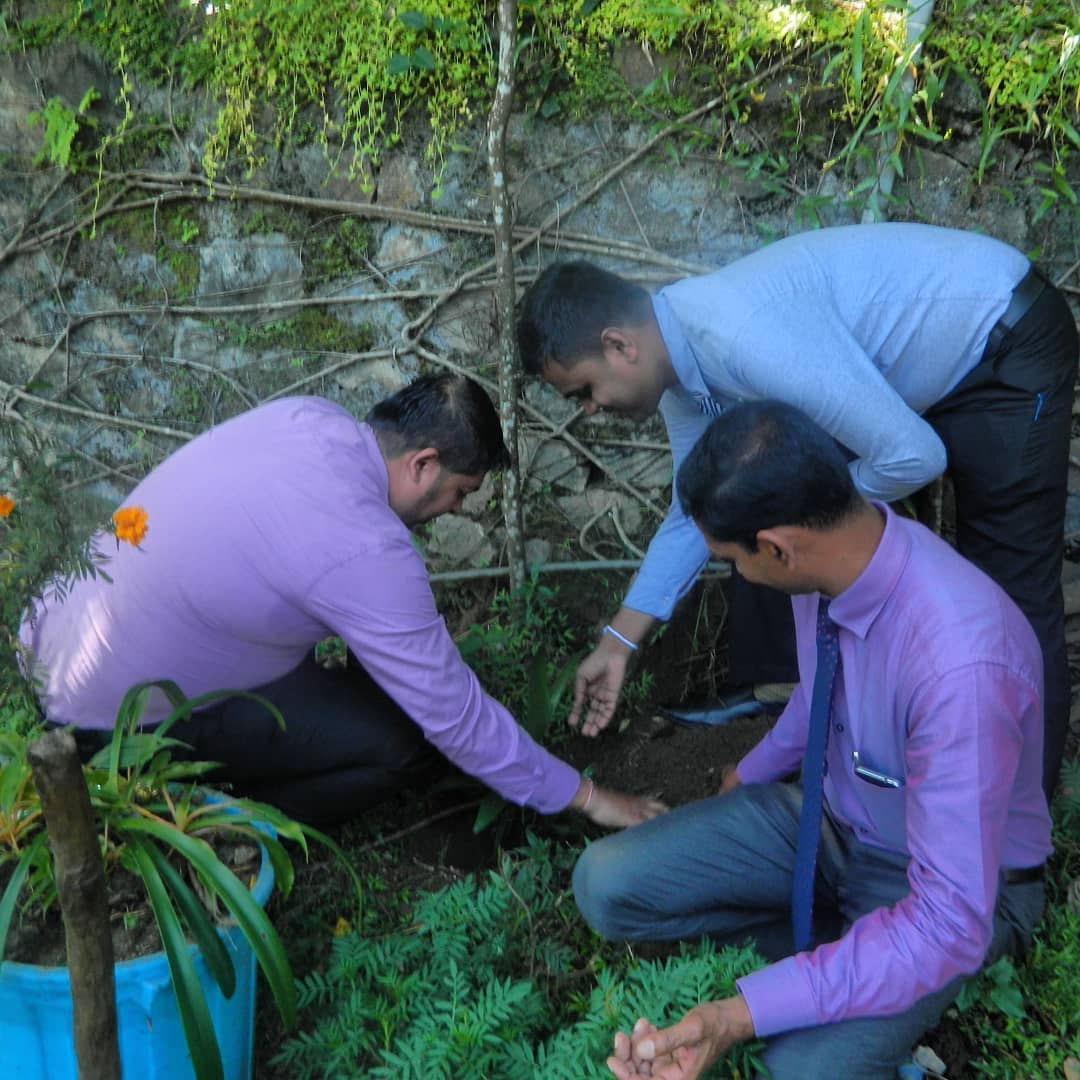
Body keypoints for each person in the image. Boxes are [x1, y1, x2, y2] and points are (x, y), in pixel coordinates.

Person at [571, 400, 1052, 1080]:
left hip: (944, 884)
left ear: (776, 546)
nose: (736, 574)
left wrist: (735, 1014)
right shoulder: (830, 568)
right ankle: (850, 960)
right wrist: (755, 768)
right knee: (607, 883)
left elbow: (949, 917)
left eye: (730, 559)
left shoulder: (961, 668)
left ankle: (850, 967)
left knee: (803, 1069)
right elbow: (825, 688)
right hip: (834, 820)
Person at [516, 222, 1078, 797]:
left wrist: (807, 511)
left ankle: (1019, 823)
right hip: (937, 368)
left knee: (1011, 589)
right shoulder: (684, 371)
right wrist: (617, 645)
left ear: (618, 345)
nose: (588, 411)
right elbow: (694, 511)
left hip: (1001, 340)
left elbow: (912, 456)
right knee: (747, 493)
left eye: (584, 390)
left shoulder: (743, 337)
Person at [19, 373, 667, 829]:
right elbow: (457, 719)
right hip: (114, 729)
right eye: (460, 492)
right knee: (395, 745)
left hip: (48, 646)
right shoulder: (365, 548)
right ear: (423, 463)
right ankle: (212, 819)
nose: (454, 511)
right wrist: (588, 797)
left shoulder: (309, 418)